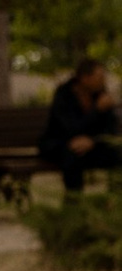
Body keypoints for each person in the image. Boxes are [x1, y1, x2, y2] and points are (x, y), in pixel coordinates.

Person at [38, 54, 122, 194]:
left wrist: (93, 141)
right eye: (100, 77)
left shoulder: (101, 95)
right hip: (62, 144)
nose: (104, 81)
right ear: (85, 78)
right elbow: (68, 128)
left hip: (93, 145)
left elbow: (110, 128)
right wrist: (96, 111)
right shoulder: (64, 95)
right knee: (72, 153)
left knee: (117, 153)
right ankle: (74, 203)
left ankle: (114, 202)